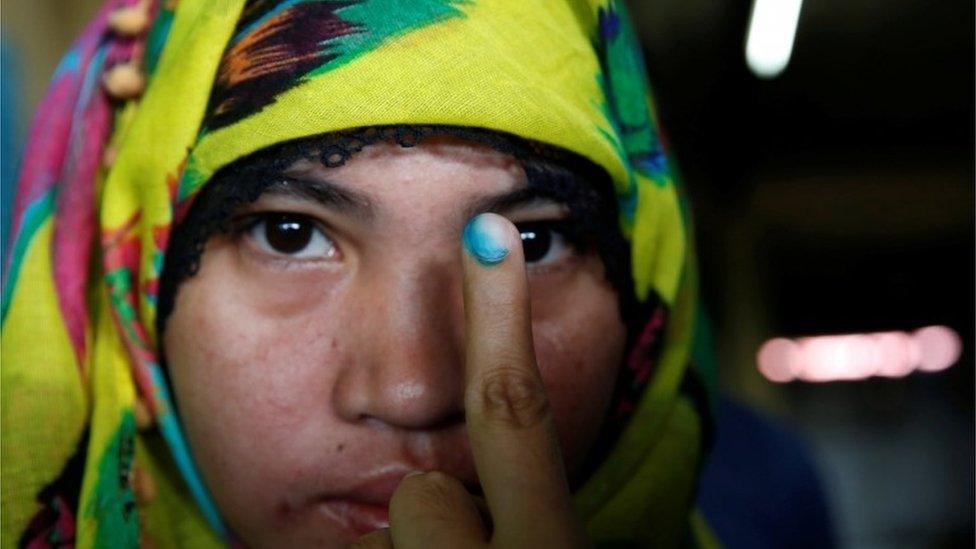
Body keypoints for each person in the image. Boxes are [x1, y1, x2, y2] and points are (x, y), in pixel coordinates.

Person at [1, 1, 716, 547]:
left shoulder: (777, 497)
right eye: (291, 234)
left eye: (531, 241)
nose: (415, 392)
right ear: (137, 294)